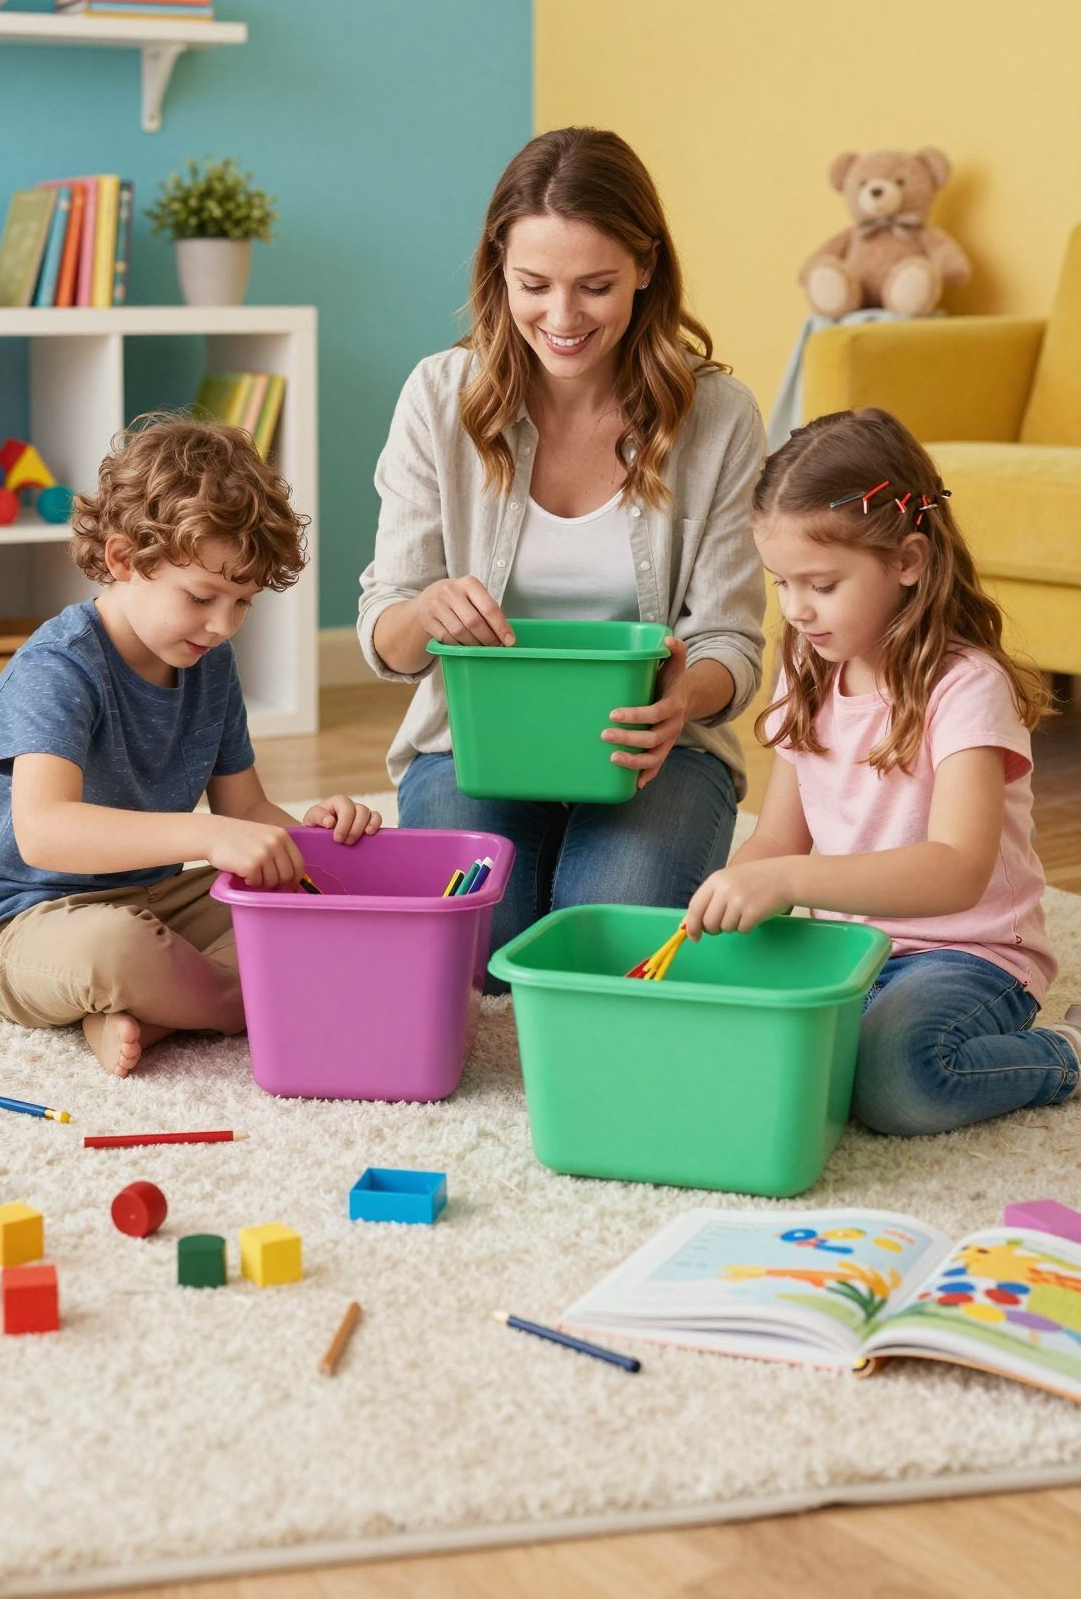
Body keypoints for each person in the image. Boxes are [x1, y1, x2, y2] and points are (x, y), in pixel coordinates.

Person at [359, 126, 766, 952]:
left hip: (654, 754)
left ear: (646, 268)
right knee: (481, 948)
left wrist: (681, 700)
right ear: (498, 269)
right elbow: (387, 631)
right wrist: (427, 611)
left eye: (596, 286)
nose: (563, 317)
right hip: (473, 748)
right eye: (534, 285)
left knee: (603, 937)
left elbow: (731, 641)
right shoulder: (438, 397)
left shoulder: (720, 417)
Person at [684, 405, 1081, 1136]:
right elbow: (779, 838)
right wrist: (737, 888)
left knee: (896, 1081)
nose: (796, 610)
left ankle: (1065, 1052)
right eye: (781, 583)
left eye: (822, 584)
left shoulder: (967, 687)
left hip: (966, 954)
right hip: (844, 951)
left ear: (907, 561)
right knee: (718, 1034)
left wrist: (790, 881)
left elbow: (957, 870)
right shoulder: (808, 667)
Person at [0, 417, 380, 1078]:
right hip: (29, 922)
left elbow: (246, 809)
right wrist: (206, 837)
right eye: (202, 596)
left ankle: (157, 1012)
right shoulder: (57, 669)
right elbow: (44, 832)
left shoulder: (208, 661)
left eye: (242, 603)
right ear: (124, 560)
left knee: (308, 902)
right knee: (117, 947)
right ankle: (240, 999)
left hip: (157, 899)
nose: (222, 625)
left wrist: (306, 839)